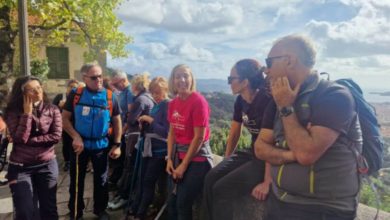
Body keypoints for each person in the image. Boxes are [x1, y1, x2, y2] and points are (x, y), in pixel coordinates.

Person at [255, 34, 362, 220]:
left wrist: (287, 108)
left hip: (322, 208)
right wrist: (290, 155)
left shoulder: (333, 95)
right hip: (280, 198)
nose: (266, 70)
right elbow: (260, 147)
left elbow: (306, 154)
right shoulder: (279, 96)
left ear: (290, 60)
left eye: (269, 62)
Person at [202, 59, 272, 220]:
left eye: (230, 79)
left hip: (265, 158)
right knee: (210, 177)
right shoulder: (241, 100)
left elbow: (271, 142)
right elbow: (234, 133)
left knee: (222, 188)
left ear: (245, 82)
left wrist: (268, 181)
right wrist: (227, 160)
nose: (228, 83)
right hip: (252, 151)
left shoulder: (266, 100)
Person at [62, 62, 122, 220]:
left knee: (101, 180)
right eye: (94, 77)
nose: (99, 80)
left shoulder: (110, 96)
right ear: (85, 78)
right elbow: (64, 119)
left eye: (101, 76)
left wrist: (117, 145)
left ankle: (100, 210)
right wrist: (75, 136)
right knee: (76, 180)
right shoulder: (76, 94)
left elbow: (117, 121)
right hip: (79, 146)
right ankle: (76, 212)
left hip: (101, 145)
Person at [5, 76, 62, 219]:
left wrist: (30, 140)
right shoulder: (12, 111)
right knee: (25, 211)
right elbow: (19, 138)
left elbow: (55, 136)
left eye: (39, 87)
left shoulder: (52, 109)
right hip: (21, 167)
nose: (37, 92)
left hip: (47, 165)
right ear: (22, 93)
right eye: (31, 90)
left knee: (49, 210)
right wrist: (27, 114)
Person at [166, 64, 213, 220]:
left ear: (192, 79)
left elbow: (199, 137)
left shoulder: (198, 101)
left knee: (182, 203)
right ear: (173, 80)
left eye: (186, 76)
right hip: (177, 155)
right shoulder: (173, 103)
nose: (182, 80)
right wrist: (169, 159)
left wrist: (183, 166)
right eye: (178, 76)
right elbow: (172, 133)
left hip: (197, 158)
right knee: (171, 202)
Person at [110, 72, 155, 210]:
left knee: (129, 167)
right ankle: (124, 195)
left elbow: (130, 120)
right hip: (140, 136)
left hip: (135, 136)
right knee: (129, 167)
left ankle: (124, 197)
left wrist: (122, 131)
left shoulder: (140, 100)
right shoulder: (148, 98)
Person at [129, 76, 170, 219]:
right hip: (149, 148)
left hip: (159, 151)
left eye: (158, 92)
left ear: (166, 90)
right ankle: (136, 208)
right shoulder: (158, 104)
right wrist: (144, 123)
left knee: (148, 181)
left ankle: (141, 212)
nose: (155, 96)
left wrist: (149, 120)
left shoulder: (168, 105)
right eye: (153, 93)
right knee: (141, 179)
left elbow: (167, 132)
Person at [109, 70, 133, 185]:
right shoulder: (122, 92)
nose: (114, 86)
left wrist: (122, 132)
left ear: (123, 81)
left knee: (121, 158)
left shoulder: (130, 92)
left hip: (125, 132)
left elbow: (130, 114)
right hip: (120, 129)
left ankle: (116, 181)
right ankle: (115, 179)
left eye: (115, 84)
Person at [53, 79, 79, 171]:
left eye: (75, 87)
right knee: (66, 143)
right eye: (71, 86)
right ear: (67, 87)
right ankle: (67, 161)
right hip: (64, 125)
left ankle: (76, 161)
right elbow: (52, 108)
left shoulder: (78, 97)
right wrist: (59, 106)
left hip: (76, 125)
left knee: (75, 142)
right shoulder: (61, 96)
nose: (72, 89)